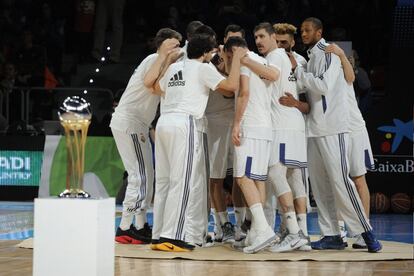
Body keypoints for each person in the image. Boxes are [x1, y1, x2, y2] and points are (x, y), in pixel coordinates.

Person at [291, 17, 381, 252]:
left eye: (307, 30)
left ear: (319, 32)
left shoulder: (330, 52)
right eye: (301, 30)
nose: (303, 33)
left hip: (334, 127)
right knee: (320, 187)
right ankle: (331, 234)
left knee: (342, 181)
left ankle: (365, 231)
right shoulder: (310, 58)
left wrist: (298, 73)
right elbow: (306, 88)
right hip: (314, 128)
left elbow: (322, 86)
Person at [149, 34, 246, 252]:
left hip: (164, 121)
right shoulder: (203, 68)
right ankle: (174, 236)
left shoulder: (175, 68)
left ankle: (158, 235)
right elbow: (231, 86)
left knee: (164, 181)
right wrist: (237, 57)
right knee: (182, 181)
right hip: (185, 122)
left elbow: (156, 88)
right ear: (204, 53)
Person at [110, 28, 182, 244]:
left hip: (138, 124)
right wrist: (166, 58)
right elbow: (151, 86)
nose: (177, 48)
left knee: (146, 176)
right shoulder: (153, 59)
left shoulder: (162, 61)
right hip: (130, 121)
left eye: (179, 44)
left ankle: (140, 226)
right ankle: (124, 228)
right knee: (138, 177)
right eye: (173, 44)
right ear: (161, 44)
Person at [249, 22, 309, 252]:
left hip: (282, 124)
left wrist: (244, 60)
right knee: (294, 177)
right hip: (294, 124)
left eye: (262, 36)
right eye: (255, 37)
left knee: (275, 172)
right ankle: (302, 234)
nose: (258, 41)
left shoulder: (274, 57)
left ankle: (293, 232)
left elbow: (268, 76)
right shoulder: (284, 57)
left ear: (273, 37)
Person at [226, 36, 278, 254]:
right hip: (266, 127)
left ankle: (264, 228)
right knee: (257, 179)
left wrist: (237, 124)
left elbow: (243, 93)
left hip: (251, 125)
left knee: (242, 178)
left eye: (228, 57)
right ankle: (258, 230)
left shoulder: (245, 61)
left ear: (234, 51)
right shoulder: (261, 60)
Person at [325, 43, 374, 249]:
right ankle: (340, 230)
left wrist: (341, 55)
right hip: (337, 131)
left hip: (354, 130)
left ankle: (365, 230)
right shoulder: (325, 77)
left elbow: (353, 78)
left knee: (358, 179)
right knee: (337, 180)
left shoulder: (347, 73)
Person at [207, 24, 245, 243]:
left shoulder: (246, 60)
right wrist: (227, 63)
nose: (233, 46)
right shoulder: (211, 61)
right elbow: (230, 89)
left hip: (237, 123)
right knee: (216, 179)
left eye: (238, 41)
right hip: (215, 124)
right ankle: (223, 225)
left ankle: (241, 223)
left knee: (240, 178)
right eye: (230, 41)